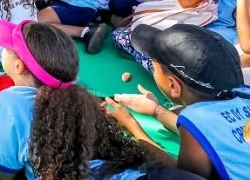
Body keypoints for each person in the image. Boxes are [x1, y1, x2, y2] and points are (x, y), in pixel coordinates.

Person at [0, 20, 190, 180]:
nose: (3, 48)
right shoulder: (77, 93)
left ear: (18, 65)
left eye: (7, 47)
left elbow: (4, 171)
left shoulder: (12, 102)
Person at [105, 23, 250, 180]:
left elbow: (181, 176)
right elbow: (215, 128)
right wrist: (156, 111)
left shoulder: (195, 118)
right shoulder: (244, 93)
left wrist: (131, 126)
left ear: (174, 85)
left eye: (154, 67)